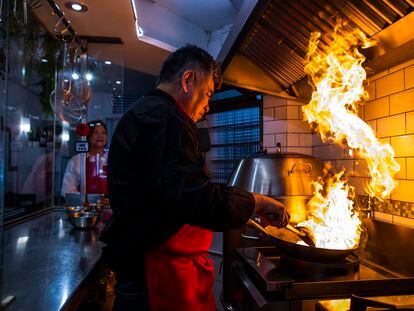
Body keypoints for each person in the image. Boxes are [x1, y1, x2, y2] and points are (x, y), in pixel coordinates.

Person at [100, 45, 290, 311]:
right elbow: (195, 198)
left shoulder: (144, 111)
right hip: (156, 274)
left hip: (145, 267)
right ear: (188, 80)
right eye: (208, 94)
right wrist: (257, 202)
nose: (208, 107)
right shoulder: (168, 118)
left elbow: (173, 191)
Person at [61, 120, 108, 197]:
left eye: (104, 133)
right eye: (95, 132)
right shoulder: (77, 160)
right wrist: (84, 201)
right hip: (85, 206)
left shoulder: (113, 159)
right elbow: (67, 190)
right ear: (87, 136)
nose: (100, 136)